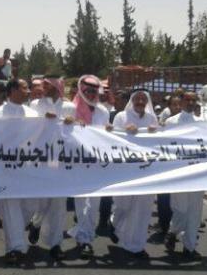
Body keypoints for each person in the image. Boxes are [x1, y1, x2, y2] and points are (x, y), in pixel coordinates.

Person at [0, 78, 39, 264]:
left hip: (29, 167)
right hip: (6, 167)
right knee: (12, 208)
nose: (28, 91)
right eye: (25, 88)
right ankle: (15, 248)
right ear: (12, 91)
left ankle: (16, 231)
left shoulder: (34, 114)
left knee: (30, 206)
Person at [27, 74, 76, 260]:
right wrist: (42, 119)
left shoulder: (70, 106)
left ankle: (56, 244)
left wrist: (73, 122)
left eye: (48, 84)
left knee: (58, 204)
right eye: (44, 84)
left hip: (61, 160)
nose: (44, 87)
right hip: (40, 159)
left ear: (58, 86)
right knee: (42, 201)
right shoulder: (35, 105)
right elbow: (28, 128)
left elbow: (79, 131)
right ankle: (36, 223)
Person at [109, 89, 158, 259]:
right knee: (124, 205)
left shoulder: (152, 118)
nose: (140, 101)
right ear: (132, 100)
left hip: (146, 169)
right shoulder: (121, 117)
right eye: (137, 99)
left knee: (143, 210)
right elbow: (110, 138)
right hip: (126, 169)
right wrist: (124, 130)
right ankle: (115, 224)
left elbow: (160, 142)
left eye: (143, 99)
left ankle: (135, 245)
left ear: (147, 102)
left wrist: (156, 131)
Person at [68, 75, 110, 258]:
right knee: (81, 202)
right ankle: (85, 239)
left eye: (94, 91)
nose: (92, 94)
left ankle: (84, 234)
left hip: (97, 164)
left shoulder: (103, 112)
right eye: (88, 91)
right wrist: (70, 124)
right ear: (81, 90)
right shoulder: (71, 109)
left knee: (94, 205)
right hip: (77, 163)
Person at [165, 91, 206, 260]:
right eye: (187, 100)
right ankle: (173, 232)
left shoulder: (202, 123)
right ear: (180, 102)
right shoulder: (170, 122)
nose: (190, 103)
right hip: (178, 173)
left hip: (197, 173)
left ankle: (189, 247)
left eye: (193, 100)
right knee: (180, 210)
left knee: (195, 212)